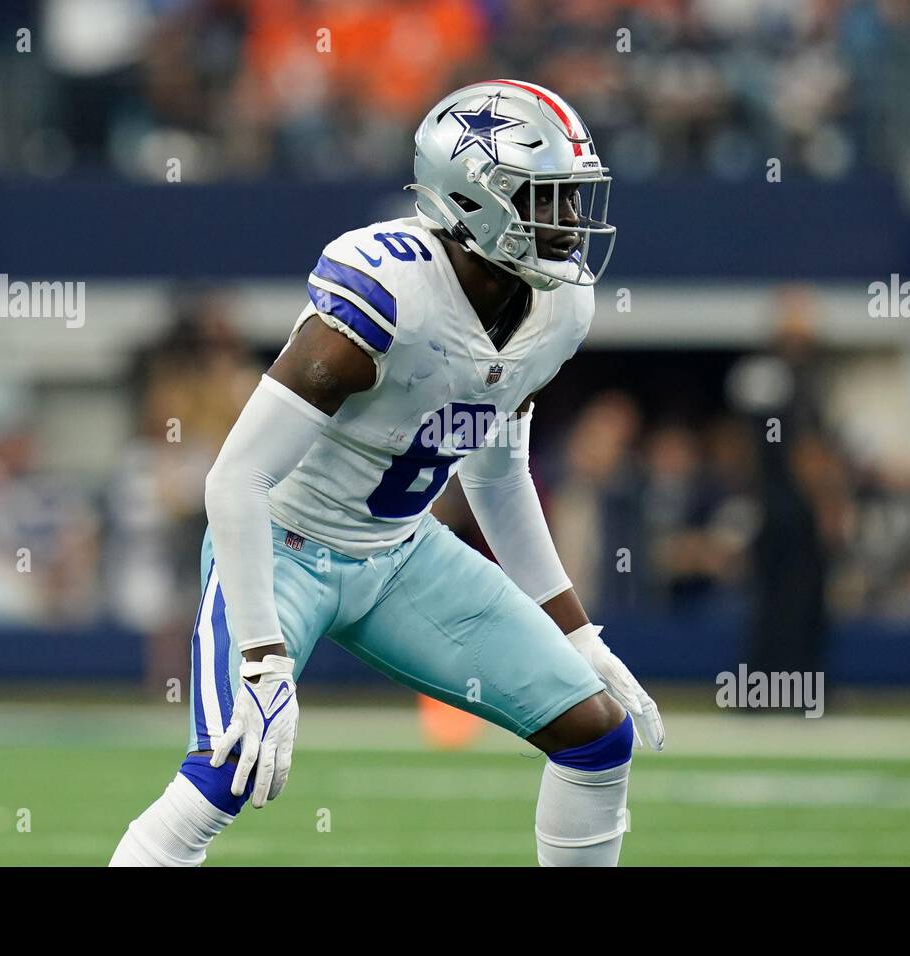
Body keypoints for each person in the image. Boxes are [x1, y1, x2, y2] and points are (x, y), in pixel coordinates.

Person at [111, 80, 664, 867]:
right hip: (283, 549)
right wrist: (264, 660)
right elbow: (234, 481)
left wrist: (576, 630)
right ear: (475, 202)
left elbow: (499, 475)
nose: (570, 224)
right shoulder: (387, 290)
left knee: (596, 736)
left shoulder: (556, 309)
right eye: (547, 199)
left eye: (571, 199)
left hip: (401, 553)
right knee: (227, 771)